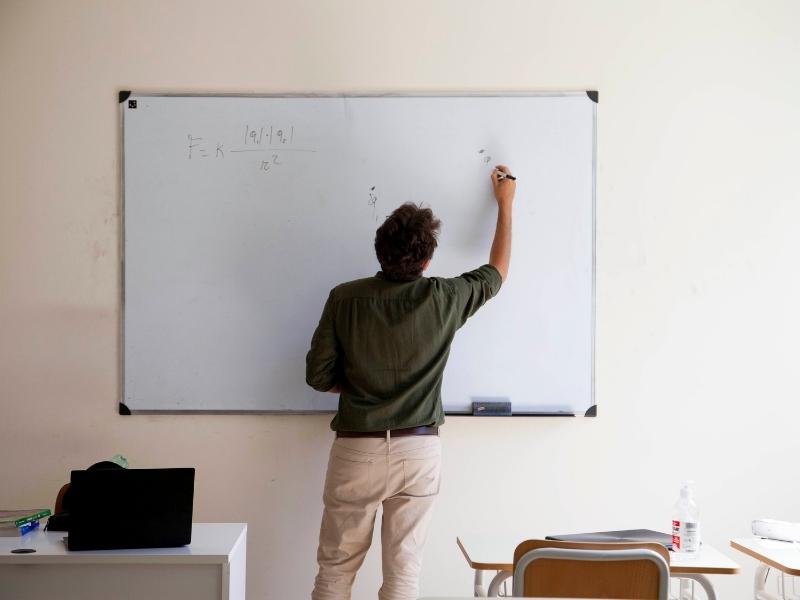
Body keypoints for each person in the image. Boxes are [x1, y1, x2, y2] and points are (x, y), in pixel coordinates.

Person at [306, 165, 516, 600]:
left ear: (379, 251)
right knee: (404, 574)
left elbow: (317, 376)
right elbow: (496, 272)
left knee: (335, 570)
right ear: (426, 260)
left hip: (356, 448)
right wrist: (506, 205)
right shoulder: (444, 297)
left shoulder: (345, 297)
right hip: (418, 449)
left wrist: (356, 385)